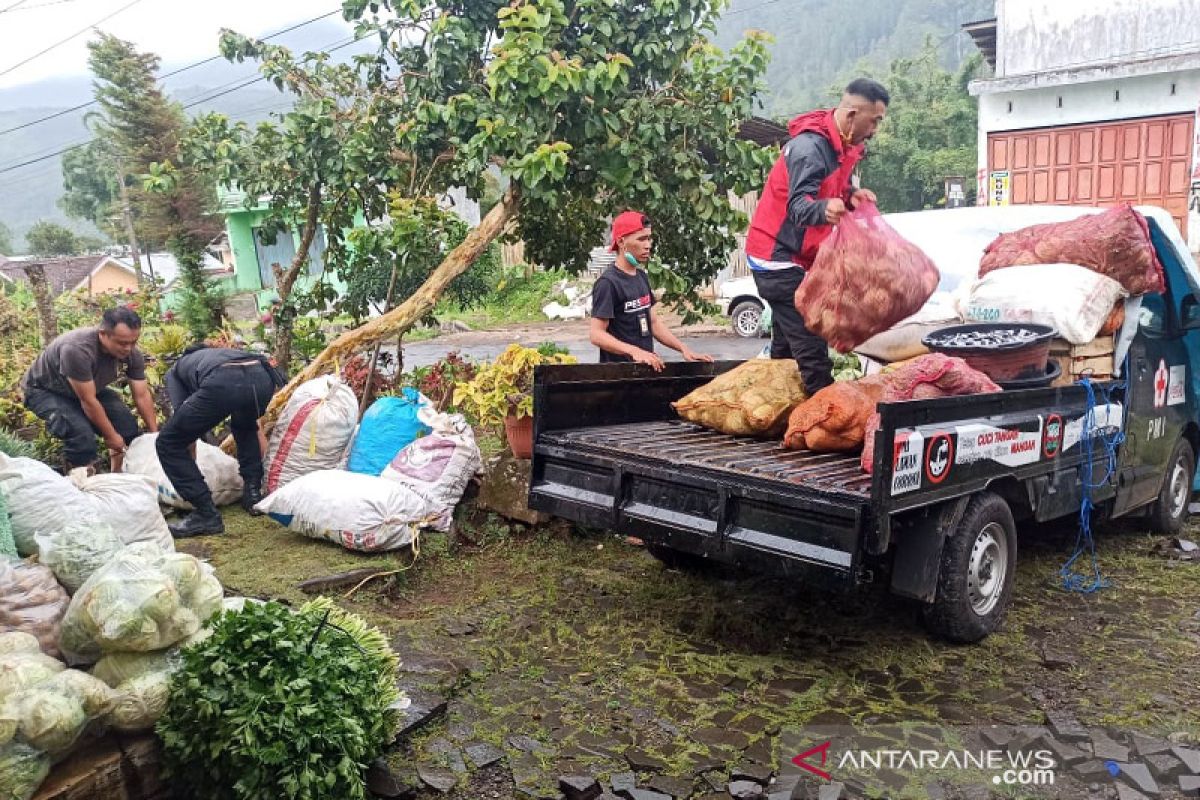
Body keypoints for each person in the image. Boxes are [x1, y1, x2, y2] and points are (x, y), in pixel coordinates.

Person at [744, 77, 889, 394]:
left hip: (799, 258)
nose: (875, 129)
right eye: (874, 121)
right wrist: (823, 209)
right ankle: (825, 414)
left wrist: (851, 195)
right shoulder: (810, 148)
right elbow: (798, 205)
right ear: (852, 114)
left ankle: (770, 406)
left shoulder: (843, 146)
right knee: (812, 351)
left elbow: (834, 187)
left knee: (785, 350)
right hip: (776, 257)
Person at [157, 344, 285, 538]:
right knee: (245, 425)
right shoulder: (219, 354)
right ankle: (253, 494)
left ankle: (205, 514)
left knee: (169, 443)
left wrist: (190, 479)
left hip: (225, 381)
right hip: (262, 376)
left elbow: (186, 439)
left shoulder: (176, 371)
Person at [22, 306, 157, 472]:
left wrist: (154, 435)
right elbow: (88, 401)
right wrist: (110, 436)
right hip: (45, 391)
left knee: (126, 427)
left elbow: (142, 395)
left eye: (133, 342)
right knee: (81, 437)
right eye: (122, 343)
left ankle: (117, 477)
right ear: (102, 334)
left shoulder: (131, 353)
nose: (128, 348)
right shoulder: (77, 349)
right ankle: (81, 487)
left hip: (86, 390)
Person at [590, 210, 714, 369]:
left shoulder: (641, 277)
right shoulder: (608, 283)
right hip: (619, 377)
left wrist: (684, 349)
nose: (648, 245)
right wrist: (634, 352)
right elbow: (596, 334)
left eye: (649, 238)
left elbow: (653, 322)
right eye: (641, 239)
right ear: (621, 242)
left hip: (645, 370)